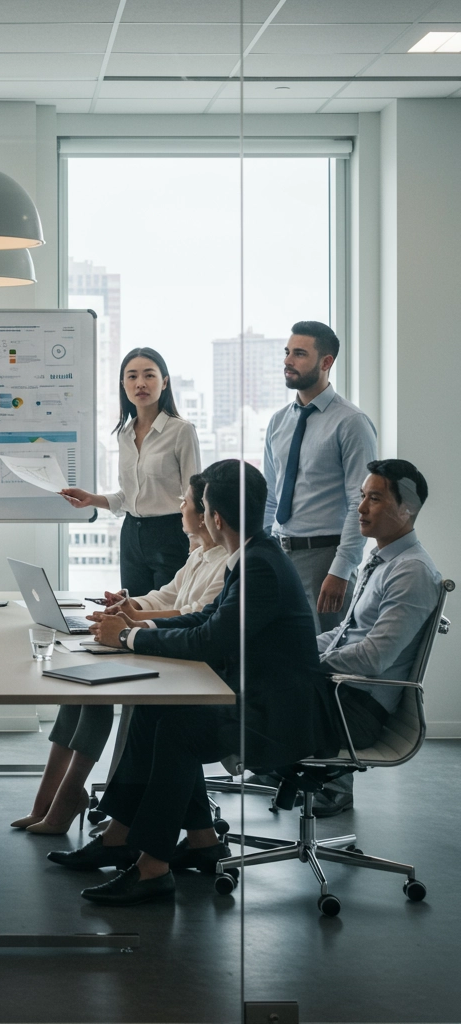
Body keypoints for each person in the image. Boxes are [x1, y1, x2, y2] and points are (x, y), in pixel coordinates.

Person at [48, 460, 339, 907]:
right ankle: (152, 839)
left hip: (275, 714)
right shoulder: (255, 555)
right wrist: (135, 628)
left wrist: (128, 637)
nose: (197, 513)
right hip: (255, 695)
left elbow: (210, 638)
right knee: (154, 710)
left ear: (215, 517)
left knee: (178, 732)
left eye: (200, 505)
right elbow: (207, 618)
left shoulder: (257, 565)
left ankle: (152, 869)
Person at [11, 474, 227, 835]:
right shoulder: (201, 555)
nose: (179, 507)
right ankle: (46, 802)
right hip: (165, 648)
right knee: (79, 687)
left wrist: (132, 626)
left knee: (99, 689)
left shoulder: (224, 564)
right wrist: (131, 605)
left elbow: (193, 616)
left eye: (185, 502)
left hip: (187, 664)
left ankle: (68, 801)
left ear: (206, 513)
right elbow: (167, 596)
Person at [307, 459, 441, 816]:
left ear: (406, 508)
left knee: (232, 709)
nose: (361, 508)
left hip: (355, 710)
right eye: (362, 496)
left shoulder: (411, 571)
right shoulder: (383, 559)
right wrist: (296, 650)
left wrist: (305, 662)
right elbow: (343, 635)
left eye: (375, 499)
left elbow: (372, 657)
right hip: (340, 694)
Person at [263, 321, 378, 633]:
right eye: (287, 352)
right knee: (282, 653)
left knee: (322, 661)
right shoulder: (277, 422)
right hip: (280, 556)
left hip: (325, 558)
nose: (288, 360)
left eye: (299, 354)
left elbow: (362, 503)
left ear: (326, 362)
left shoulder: (351, 423)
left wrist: (341, 570)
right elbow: (271, 497)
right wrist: (261, 553)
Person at [61, 346, 201, 596]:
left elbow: (194, 495)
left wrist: (196, 542)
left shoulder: (181, 431)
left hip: (171, 534)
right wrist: (91, 499)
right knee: (134, 610)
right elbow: (127, 497)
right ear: (123, 384)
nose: (140, 384)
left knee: (169, 614)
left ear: (164, 382)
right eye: (132, 376)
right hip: (131, 536)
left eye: (149, 375)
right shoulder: (124, 435)